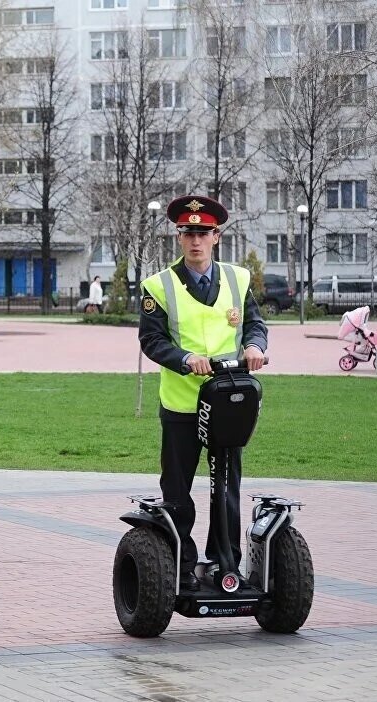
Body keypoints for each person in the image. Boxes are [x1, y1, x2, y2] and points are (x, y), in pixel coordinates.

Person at [138, 194, 268, 592]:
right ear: (179, 237)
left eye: (203, 233)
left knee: (227, 487)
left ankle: (223, 562)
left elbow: (255, 324)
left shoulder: (237, 279)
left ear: (216, 237)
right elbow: (152, 341)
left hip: (228, 399)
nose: (196, 240)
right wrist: (184, 357)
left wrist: (255, 347)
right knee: (177, 490)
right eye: (188, 233)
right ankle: (179, 565)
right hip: (182, 404)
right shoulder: (158, 286)